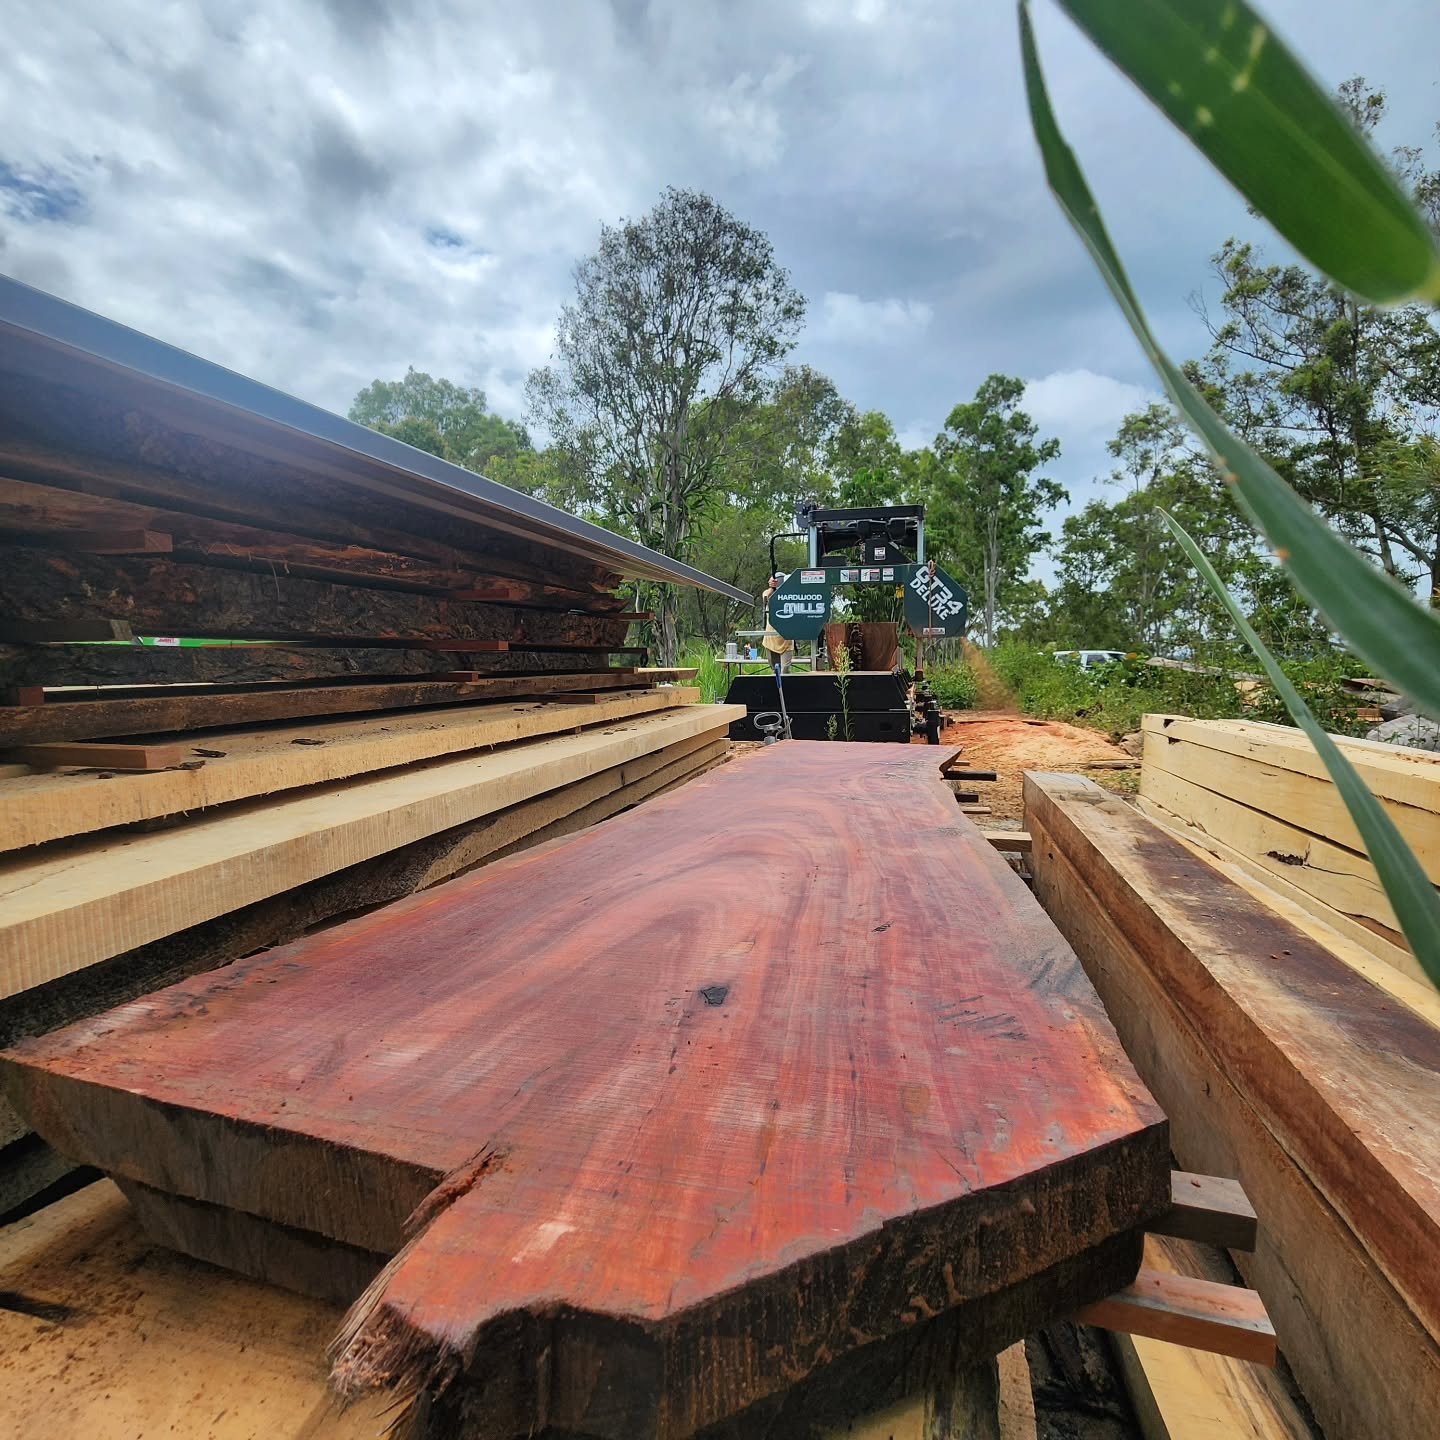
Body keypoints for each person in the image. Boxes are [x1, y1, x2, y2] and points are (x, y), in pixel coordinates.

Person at [761, 574, 794, 673]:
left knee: (785, 671)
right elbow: (766, 597)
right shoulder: (768, 593)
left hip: (786, 640)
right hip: (770, 640)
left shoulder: (790, 595)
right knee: (775, 671)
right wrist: (772, 587)